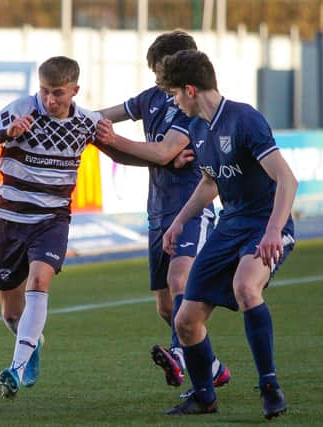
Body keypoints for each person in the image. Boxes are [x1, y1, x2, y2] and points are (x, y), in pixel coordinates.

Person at [155, 49, 298, 419]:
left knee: (246, 287)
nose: (172, 101)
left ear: (189, 89)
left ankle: (270, 386)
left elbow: (286, 179)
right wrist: (179, 221)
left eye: (173, 94)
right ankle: (204, 396)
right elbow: (209, 182)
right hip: (230, 225)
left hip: (265, 223)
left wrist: (272, 231)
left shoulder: (244, 119)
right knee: (185, 320)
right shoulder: (198, 129)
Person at [96, 30, 230, 393]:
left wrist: (109, 139)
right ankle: (212, 366)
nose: (156, 80)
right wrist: (77, 123)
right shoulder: (151, 98)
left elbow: (162, 153)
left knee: (180, 280)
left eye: (160, 72)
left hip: (190, 207)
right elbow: (105, 118)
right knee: (166, 307)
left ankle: (180, 355)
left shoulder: (191, 104)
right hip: (157, 212)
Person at [0, 56, 108, 399]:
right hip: (10, 220)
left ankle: (15, 369)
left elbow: (120, 151)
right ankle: (33, 345)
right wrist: (7, 132)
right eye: (45, 91)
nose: (50, 100)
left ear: (75, 90)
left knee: (39, 281)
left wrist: (165, 158)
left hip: (52, 220)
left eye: (58, 93)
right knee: (11, 311)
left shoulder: (86, 124)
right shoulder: (20, 109)